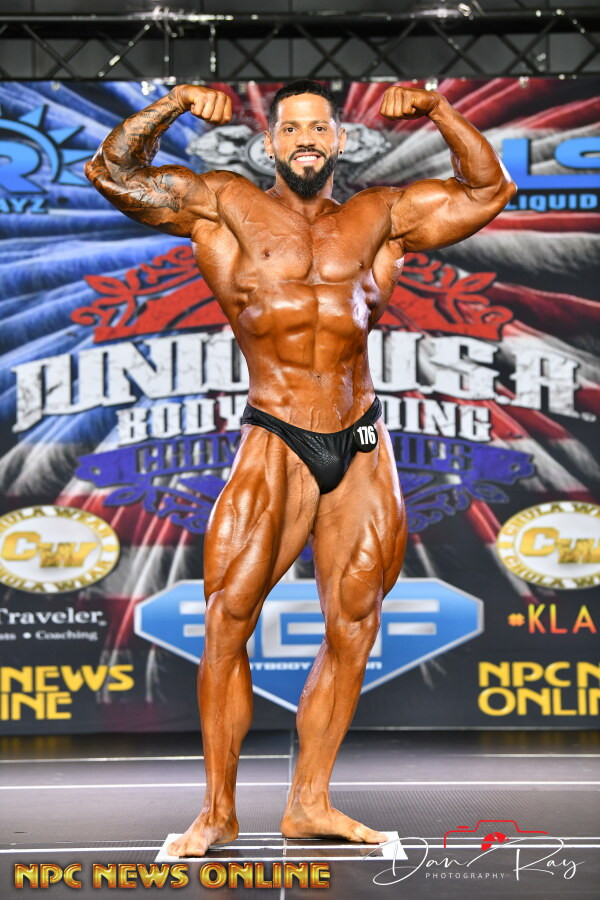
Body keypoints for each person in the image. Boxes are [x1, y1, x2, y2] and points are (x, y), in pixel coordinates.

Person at [85, 79, 516, 857]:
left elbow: (489, 190)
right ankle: (217, 813)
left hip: (360, 439)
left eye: (319, 128)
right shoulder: (222, 204)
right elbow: (111, 172)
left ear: (339, 141)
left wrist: (441, 112)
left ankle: (309, 802)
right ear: (272, 142)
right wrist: (173, 104)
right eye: (292, 129)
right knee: (229, 618)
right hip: (276, 432)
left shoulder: (380, 215)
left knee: (355, 621)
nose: (307, 140)